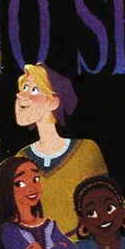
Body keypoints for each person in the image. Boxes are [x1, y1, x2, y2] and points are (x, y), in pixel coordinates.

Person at [13, 64, 107, 236]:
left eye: (34, 90)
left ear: (53, 102)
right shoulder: (21, 157)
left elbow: (104, 204)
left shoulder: (86, 150)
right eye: (24, 88)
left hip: (84, 244)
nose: (21, 96)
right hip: (37, 246)